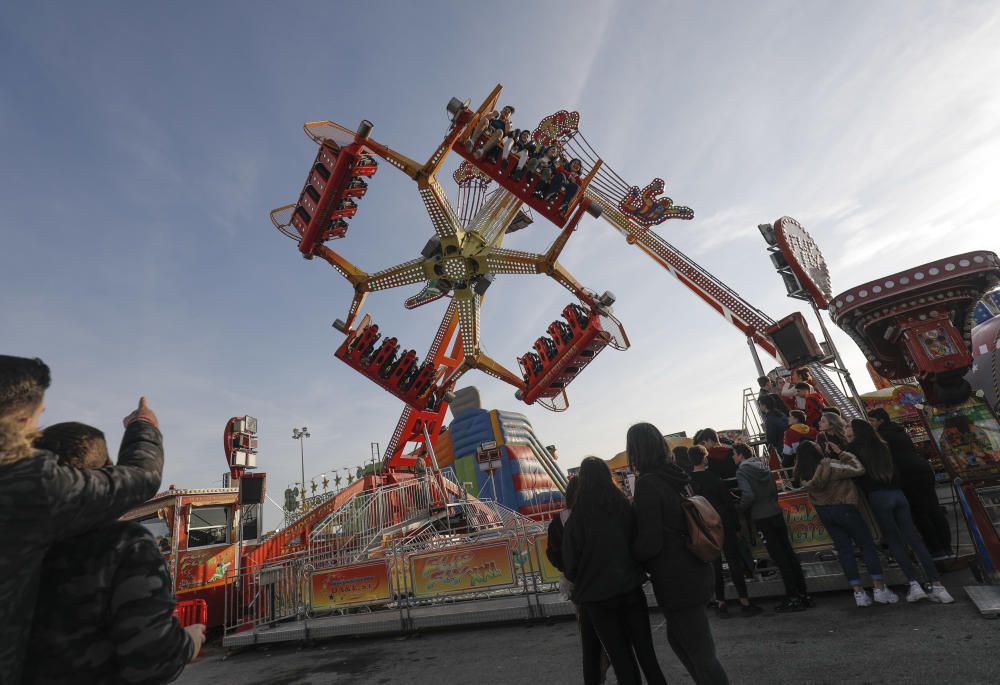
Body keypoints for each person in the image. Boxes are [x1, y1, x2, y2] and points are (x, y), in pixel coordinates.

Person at [0, 356, 164, 683]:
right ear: (20, 420)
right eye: (36, 420)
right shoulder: (29, 486)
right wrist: (143, 424)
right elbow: (141, 476)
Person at [24, 422, 204, 684]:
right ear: (109, 467)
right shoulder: (123, 545)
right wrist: (189, 641)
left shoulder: (16, 545)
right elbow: (153, 659)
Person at [629, 423, 730, 685]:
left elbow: (650, 541)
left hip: (675, 578)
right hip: (695, 566)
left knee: (700, 653)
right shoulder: (676, 476)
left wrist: (631, 555)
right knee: (681, 641)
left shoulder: (647, 484)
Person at [562, 457, 666, 685]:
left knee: (622, 659)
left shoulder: (576, 518)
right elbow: (638, 542)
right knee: (647, 654)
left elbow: (570, 564)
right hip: (630, 588)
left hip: (598, 599)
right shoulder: (623, 506)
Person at [848, 419, 954, 603]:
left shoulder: (853, 449)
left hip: (878, 496)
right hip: (898, 493)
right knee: (914, 539)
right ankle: (938, 585)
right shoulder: (882, 445)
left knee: (895, 541)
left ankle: (914, 584)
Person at [794, 439, 898, 608]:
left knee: (844, 550)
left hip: (824, 511)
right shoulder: (832, 466)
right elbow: (859, 469)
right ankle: (879, 588)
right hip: (845, 508)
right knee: (866, 546)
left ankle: (858, 592)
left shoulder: (802, 475)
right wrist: (841, 453)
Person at [546, 477, 610, 685]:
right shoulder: (604, 512)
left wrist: (567, 569)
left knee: (589, 641)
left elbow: (553, 553)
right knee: (616, 638)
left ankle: (597, 674)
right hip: (609, 583)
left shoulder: (561, 520)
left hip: (580, 588)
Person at [732, 443, 810, 612]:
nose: (733, 457)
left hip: (761, 516)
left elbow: (748, 495)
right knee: (788, 552)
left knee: (779, 557)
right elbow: (775, 488)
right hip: (775, 511)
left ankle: (792, 597)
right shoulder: (762, 464)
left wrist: (740, 508)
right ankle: (803, 594)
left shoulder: (742, 471)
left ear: (740, 455)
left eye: (734, 454)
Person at [688, 446, 762, 619]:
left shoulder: (688, 482)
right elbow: (728, 504)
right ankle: (744, 601)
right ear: (704, 458)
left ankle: (721, 602)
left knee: (714, 566)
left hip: (703, 527)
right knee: (734, 561)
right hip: (723, 523)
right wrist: (736, 527)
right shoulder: (714, 478)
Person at [869, 408, 952, 558]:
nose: (871, 424)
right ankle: (947, 546)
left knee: (920, 513)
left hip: (907, 474)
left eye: (872, 421)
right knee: (933, 508)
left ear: (880, 421)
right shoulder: (899, 431)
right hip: (922, 469)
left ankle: (935, 548)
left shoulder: (882, 436)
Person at [761, 395, 790, 459]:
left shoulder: (769, 419)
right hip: (788, 443)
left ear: (765, 406)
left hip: (781, 447)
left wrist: (766, 430)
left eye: (760, 404)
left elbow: (771, 439)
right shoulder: (780, 413)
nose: (760, 407)